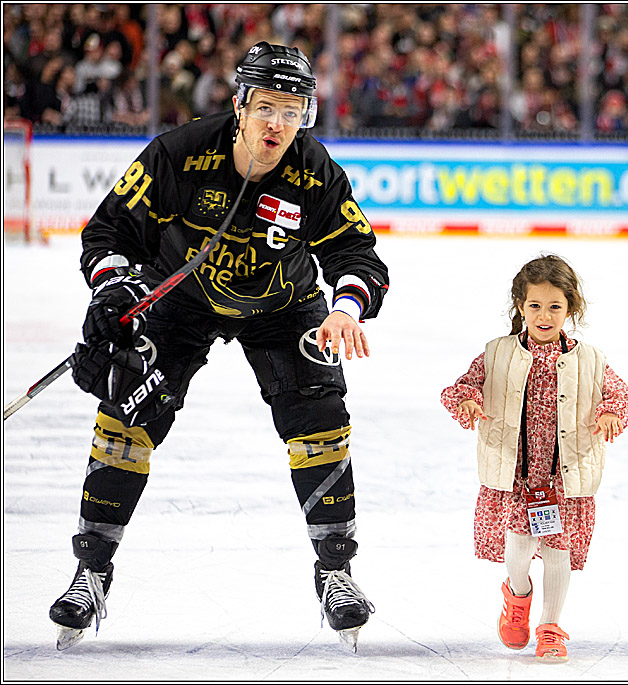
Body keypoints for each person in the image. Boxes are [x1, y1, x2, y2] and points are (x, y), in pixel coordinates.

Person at [49, 42, 389, 651]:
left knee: (318, 418)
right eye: (268, 108)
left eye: (295, 111)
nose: (280, 125)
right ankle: (91, 569)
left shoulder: (315, 172)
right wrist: (113, 292)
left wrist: (345, 307)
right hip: (181, 302)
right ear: (239, 105)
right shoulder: (179, 154)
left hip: (284, 307)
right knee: (126, 413)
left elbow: (357, 253)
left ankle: (336, 571)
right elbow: (108, 232)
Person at [440, 255, 628, 662]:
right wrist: (470, 401)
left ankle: (550, 626)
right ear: (520, 306)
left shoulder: (589, 358)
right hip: (516, 474)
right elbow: (463, 386)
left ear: (570, 308)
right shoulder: (498, 353)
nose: (544, 316)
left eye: (555, 307)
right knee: (518, 548)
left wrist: (610, 413)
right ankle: (518, 594)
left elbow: (617, 393)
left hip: (564, 474)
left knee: (559, 550)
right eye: (535, 306)